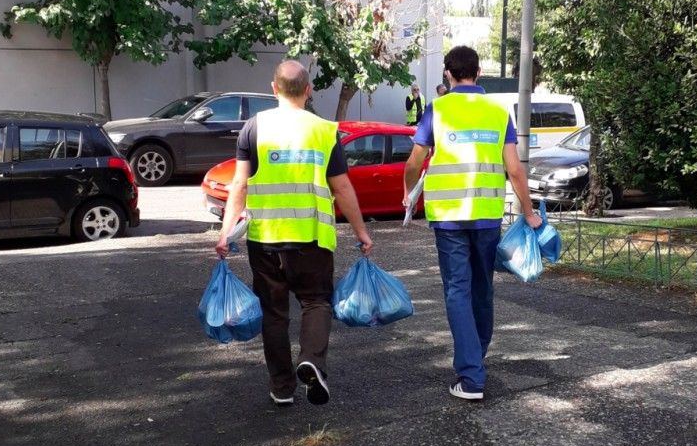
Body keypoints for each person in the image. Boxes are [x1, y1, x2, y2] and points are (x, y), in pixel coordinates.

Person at [216, 60, 373, 407]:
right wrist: (361, 231)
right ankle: (312, 361)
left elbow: (240, 184)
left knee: (274, 314)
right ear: (308, 90)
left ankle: (282, 387)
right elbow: (342, 187)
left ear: (274, 89)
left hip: (265, 239)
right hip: (312, 239)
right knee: (316, 302)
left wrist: (226, 232)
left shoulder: (253, 128)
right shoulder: (324, 130)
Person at [403, 46, 541, 401]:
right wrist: (528, 211)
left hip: (449, 218)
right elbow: (514, 169)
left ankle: (471, 376)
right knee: (482, 289)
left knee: (457, 290)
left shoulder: (437, 110)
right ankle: (474, 360)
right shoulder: (498, 113)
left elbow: (414, 162)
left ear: (448, 74)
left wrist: (408, 194)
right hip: (486, 217)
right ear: (478, 73)